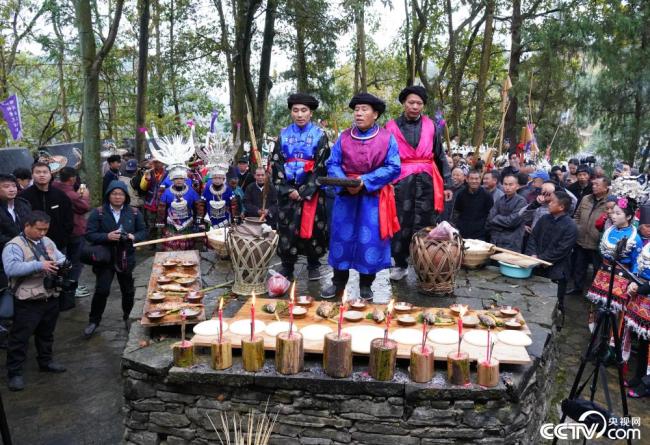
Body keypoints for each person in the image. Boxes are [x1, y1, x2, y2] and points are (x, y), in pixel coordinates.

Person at [322, 93, 400, 300]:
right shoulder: (344, 137)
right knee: (341, 239)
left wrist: (364, 181)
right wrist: (346, 183)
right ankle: (338, 283)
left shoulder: (386, 138)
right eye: (356, 109)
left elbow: (394, 167)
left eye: (364, 109)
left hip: (372, 198)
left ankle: (366, 284)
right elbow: (332, 163)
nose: (359, 113)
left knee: (370, 240)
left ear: (375, 114)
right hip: (346, 197)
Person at [384, 85, 451, 281]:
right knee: (400, 223)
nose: (415, 106)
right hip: (401, 182)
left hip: (427, 181)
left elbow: (440, 156)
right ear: (404, 103)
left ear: (423, 105)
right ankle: (400, 264)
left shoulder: (431, 126)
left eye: (419, 103)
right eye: (411, 102)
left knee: (426, 223)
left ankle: (425, 264)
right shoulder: (390, 127)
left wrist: (447, 184)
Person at [3, 211, 68, 391]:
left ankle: (46, 362)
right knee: (20, 338)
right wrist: (39, 265)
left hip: (49, 295)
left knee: (46, 333)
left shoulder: (47, 242)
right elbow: (11, 268)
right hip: (27, 299)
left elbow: (62, 258)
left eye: (45, 229)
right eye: (39, 229)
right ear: (27, 226)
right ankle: (14, 373)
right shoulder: (13, 246)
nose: (42, 233)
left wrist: (59, 262)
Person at [271, 93, 330, 281]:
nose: (299, 114)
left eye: (304, 110)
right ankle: (287, 265)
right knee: (287, 228)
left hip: (311, 192)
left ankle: (314, 264)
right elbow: (276, 163)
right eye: (295, 110)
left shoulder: (320, 135)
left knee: (313, 227)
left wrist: (305, 191)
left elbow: (322, 165)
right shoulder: (283, 135)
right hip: (288, 191)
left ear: (311, 113)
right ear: (291, 112)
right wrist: (289, 190)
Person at [83, 181, 147, 338]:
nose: (117, 197)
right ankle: (94, 321)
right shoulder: (98, 213)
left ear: (126, 196)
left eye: (121, 194)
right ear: (108, 195)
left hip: (126, 257)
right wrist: (107, 236)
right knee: (102, 290)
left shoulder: (134, 213)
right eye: (114, 193)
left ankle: (128, 317)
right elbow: (89, 234)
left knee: (128, 290)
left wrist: (134, 236)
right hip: (105, 258)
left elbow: (144, 231)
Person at [525, 191, 578, 316]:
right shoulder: (544, 218)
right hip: (537, 265)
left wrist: (541, 258)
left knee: (554, 302)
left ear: (561, 207)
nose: (548, 203)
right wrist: (532, 254)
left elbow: (562, 249)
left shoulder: (571, 226)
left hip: (557, 270)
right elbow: (533, 237)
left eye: (552, 201)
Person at [586, 197, 642, 313]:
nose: (613, 216)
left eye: (618, 213)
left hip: (621, 277)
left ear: (628, 217)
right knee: (598, 306)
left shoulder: (634, 238)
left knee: (614, 311)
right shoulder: (609, 230)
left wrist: (634, 281)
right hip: (603, 271)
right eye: (613, 212)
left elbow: (636, 262)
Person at [52, 167, 90, 297]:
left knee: (62, 259)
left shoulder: (54, 186)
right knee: (75, 260)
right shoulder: (70, 194)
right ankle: (72, 287)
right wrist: (84, 196)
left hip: (59, 232)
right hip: (74, 231)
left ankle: (62, 286)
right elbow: (84, 207)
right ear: (72, 178)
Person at [569, 176, 610, 295]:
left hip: (597, 243)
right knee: (579, 267)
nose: (594, 186)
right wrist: (577, 228)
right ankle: (577, 288)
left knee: (597, 270)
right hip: (581, 240)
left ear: (606, 187)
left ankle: (595, 293)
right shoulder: (586, 198)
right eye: (593, 184)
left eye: (597, 184)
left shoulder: (610, 202)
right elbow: (577, 215)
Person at [20, 162, 73, 251]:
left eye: (45, 172)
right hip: (31, 245)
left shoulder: (60, 195)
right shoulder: (24, 196)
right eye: (38, 172)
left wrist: (64, 238)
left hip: (57, 244)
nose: (42, 175)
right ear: (32, 175)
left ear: (50, 174)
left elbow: (68, 218)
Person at [159, 170, 201, 251]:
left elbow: (198, 207)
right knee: (171, 250)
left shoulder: (191, 192)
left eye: (181, 178)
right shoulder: (167, 192)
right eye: (176, 178)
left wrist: (198, 220)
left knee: (187, 251)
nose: (179, 180)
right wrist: (161, 221)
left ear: (185, 179)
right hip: (171, 225)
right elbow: (162, 209)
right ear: (172, 180)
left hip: (187, 224)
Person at [486, 174, 528, 251]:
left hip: (511, 243)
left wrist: (497, 218)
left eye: (511, 185)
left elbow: (512, 222)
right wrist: (498, 220)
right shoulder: (500, 200)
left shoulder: (521, 201)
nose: (507, 187)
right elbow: (490, 218)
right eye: (505, 184)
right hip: (496, 240)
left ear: (517, 186)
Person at [452, 170, 493, 240]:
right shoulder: (461, 194)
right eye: (471, 179)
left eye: (476, 179)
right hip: (462, 232)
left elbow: (490, 214)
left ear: (480, 180)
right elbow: (456, 211)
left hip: (480, 234)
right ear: (467, 179)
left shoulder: (486, 195)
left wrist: (485, 228)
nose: (474, 181)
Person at [140, 159, 168, 240]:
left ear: (162, 163)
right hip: (151, 203)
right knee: (151, 225)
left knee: (163, 224)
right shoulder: (149, 172)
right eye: (155, 162)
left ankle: (163, 242)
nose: (157, 164)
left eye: (158, 162)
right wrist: (147, 179)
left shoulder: (168, 174)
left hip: (163, 203)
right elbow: (143, 187)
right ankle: (152, 243)